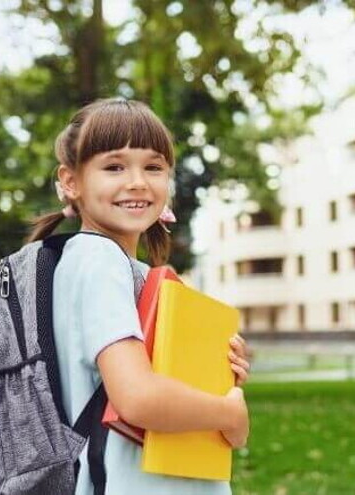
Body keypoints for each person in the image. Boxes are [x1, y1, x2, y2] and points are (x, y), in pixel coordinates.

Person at [27, 98, 251, 495]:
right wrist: (228, 412)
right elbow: (137, 397)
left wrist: (217, 374)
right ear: (71, 181)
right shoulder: (101, 261)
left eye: (154, 167)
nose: (137, 182)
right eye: (114, 166)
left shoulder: (72, 260)